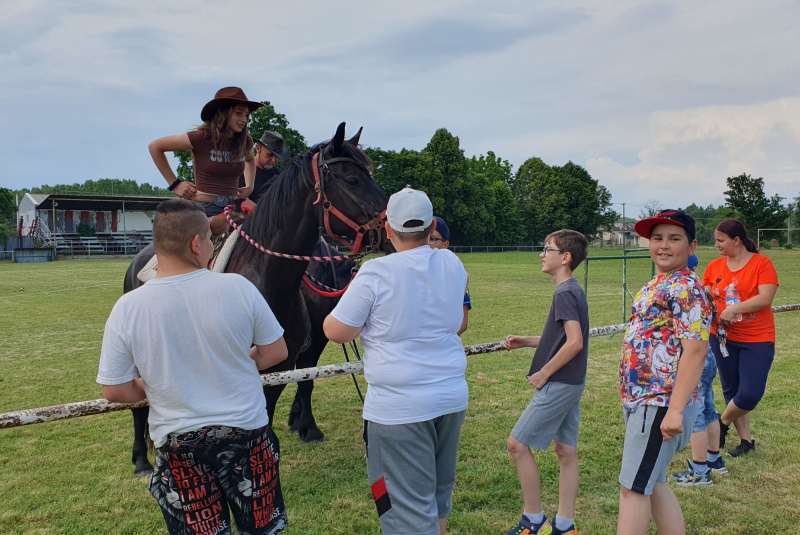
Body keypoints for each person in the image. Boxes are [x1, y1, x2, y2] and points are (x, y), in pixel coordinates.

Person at [97, 199, 290, 535]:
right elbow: (275, 351)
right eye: (211, 241)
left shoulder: (128, 307)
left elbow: (115, 390)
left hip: (178, 447)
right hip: (248, 438)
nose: (213, 247)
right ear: (196, 243)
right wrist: (237, 362)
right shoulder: (239, 288)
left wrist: (156, 383)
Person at [323, 188, 469, 535]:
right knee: (437, 491)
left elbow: (337, 331)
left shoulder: (375, 273)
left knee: (393, 498)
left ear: (387, 228)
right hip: (449, 397)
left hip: (398, 408)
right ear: (432, 225)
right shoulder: (452, 262)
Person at [618, 209, 712, 535]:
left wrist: (674, 410)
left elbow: (696, 350)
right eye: (657, 238)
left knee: (632, 488)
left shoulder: (687, 287)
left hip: (660, 402)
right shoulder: (659, 282)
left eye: (674, 238)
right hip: (643, 400)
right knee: (653, 483)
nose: (664, 245)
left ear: (692, 245)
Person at [503, 229, 590, 535]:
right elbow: (563, 338)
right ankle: (565, 526)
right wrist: (527, 341)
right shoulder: (573, 290)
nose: (542, 254)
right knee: (566, 451)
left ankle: (533, 521)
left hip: (560, 382)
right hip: (572, 382)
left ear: (565, 258)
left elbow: (575, 343)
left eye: (547, 249)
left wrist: (544, 373)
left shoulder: (565, 292)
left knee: (517, 444)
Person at [702, 219, 779, 457]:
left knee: (750, 393)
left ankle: (720, 424)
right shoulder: (714, 266)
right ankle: (746, 442)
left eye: (720, 240)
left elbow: (765, 298)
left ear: (736, 240)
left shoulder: (762, 264)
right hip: (722, 337)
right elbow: (705, 296)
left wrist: (734, 309)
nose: (716, 244)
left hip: (756, 337)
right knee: (732, 390)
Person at [149, 86, 262, 218]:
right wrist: (175, 184)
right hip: (205, 209)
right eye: (238, 113)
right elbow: (155, 146)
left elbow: (250, 160)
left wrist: (250, 186)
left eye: (247, 115)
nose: (244, 119)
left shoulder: (245, 142)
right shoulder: (201, 137)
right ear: (222, 112)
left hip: (234, 209)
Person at [670, 254, 728, 486]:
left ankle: (700, 469)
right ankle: (714, 459)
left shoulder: (686, 290)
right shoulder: (700, 289)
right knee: (709, 408)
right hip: (708, 356)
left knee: (695, 414)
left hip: (695, 358)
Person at [429, 216, 471, 335]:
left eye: (432, 239)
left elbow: (462, 324)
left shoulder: (456, 274)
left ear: (445, 244)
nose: (427, 244)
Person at [238, 131, 292, 209]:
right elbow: (238, 196)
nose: (274, 160)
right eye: (270, 155)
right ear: (258, 148)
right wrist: (261, 213)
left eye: (277, 157)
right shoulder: (241, 170)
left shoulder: (279, 175)